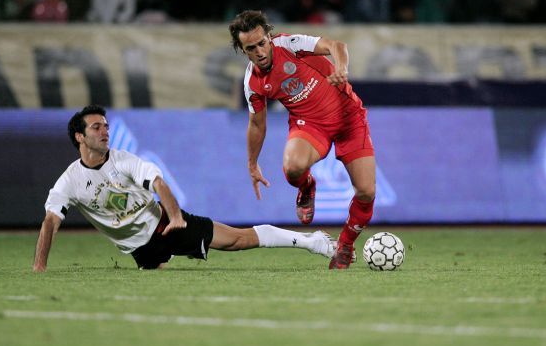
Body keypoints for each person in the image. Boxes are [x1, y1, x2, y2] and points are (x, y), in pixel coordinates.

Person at [32, 105, 337, 272]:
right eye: (96, 127)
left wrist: (175, 215)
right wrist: (39, 267)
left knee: (237, 240)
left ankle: (311, 242)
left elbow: (158, 183)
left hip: (165, 225)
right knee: (158, 280)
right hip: (140, 250)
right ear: (79, 137)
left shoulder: (123, 160)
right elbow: (50, 222)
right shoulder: (69, 181)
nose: (104, 131)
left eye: (106, 126)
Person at [228, 10, 376, 269]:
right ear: (243, 50)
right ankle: (307, 186)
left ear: (269, 36)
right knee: (292, 167)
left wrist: (341, 68)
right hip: (310, 124)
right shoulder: (252, 82)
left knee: (366, 191)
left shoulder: (290, 44)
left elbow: (336, 46)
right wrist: (252, 163)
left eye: (262, 43)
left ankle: (345, 244)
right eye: (251, 48)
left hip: (349, 119)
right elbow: (257, 124)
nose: (259, 52)